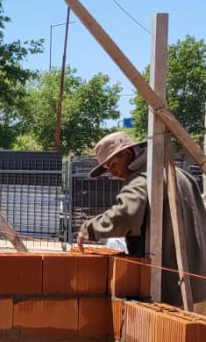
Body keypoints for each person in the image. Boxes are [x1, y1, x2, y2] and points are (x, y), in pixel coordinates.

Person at [77, 130, 206, 306]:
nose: (113, 173)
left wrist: (89, 228)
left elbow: (125, 216)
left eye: (113, 164)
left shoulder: (143, 178)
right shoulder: (182, 175)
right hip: (200, 286)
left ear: (127, 153)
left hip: (173, 291)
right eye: (107, 169)